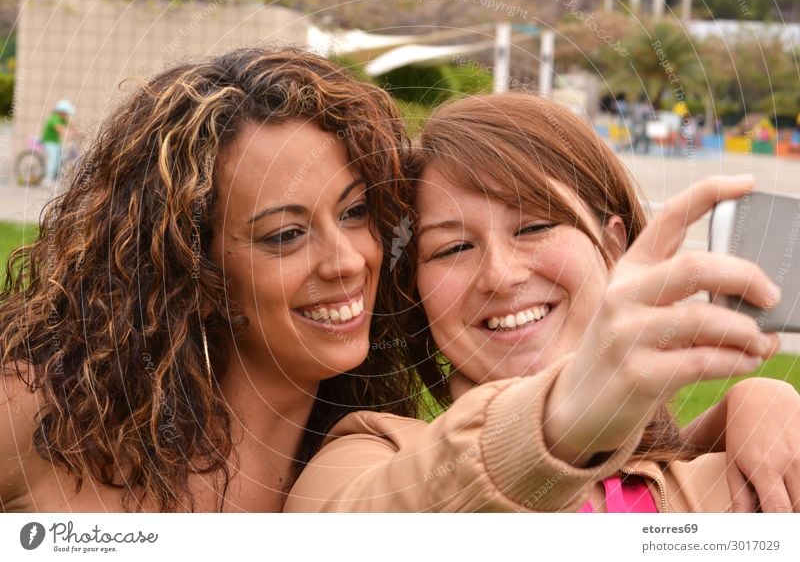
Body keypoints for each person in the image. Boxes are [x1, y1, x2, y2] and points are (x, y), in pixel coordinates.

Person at [286, 93, 800, 513]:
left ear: (615, 246)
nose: (500, 275)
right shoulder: (363, 457)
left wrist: (742, 414)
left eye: (534, 226)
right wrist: (558, 422)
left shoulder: (731, 481)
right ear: (418, 293)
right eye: (454, 247)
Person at [0, 47, 420, 512]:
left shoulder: (381, 462)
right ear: (191, 272)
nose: (346, 262)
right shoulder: (43, 411)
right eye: (285, 235)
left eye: (354, 212)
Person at [40, 99, 75, 185]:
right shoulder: (54, 118)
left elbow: (71, 126)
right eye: (66, 113)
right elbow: (60, 129)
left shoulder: (63, 119)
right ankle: (48, 179)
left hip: (56, 142)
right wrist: (68, 135)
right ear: (61, 112)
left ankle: (55, 177)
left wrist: (78, 132)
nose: (67, 115)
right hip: (49, 142)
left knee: (61, 158)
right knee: (54, 158)